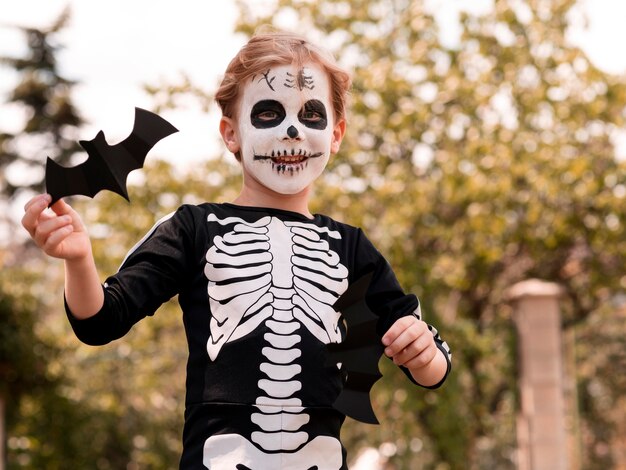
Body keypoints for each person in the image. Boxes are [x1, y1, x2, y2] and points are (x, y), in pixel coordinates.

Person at [22, 30, 451, 470]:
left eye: (311, 115)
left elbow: (431, 367)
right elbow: (100, 321)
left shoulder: (351, 246)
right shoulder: (193, 229)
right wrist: (79, 258)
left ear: (335, 134)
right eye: (268, 113)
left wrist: (423, 353)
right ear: (232, 133)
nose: (292, 129)